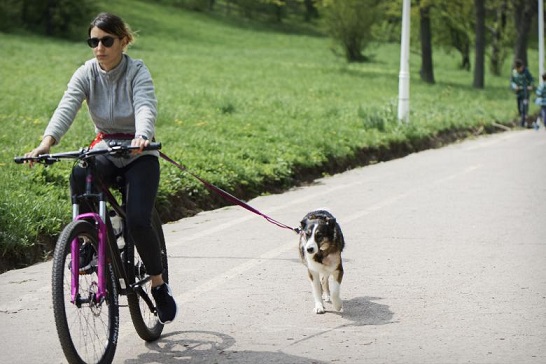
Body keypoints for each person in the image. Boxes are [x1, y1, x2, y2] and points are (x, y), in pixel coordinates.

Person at [24, 12, 177, 324]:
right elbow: (67, 105)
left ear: (123, 41)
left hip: (139, 152)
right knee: (81, 173)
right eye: (93, 41)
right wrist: (46, 143)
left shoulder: (137, 70)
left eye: (106, 40)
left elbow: (146, 104)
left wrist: (142, 136)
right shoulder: (87, 73)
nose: (99, 47)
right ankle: (87, 242)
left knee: (137, 219)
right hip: (106, 146)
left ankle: (159, 284)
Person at [510, 59, 534, 127]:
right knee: (519, 109)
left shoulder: (526, 71)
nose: (519, 70)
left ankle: (522, 123)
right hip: (518, 93)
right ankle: (523, 120)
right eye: (517, 69)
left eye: (520, 68)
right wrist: (515, 86)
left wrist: (531, 86)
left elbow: (531, 79)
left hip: (525, 93)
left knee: (524, 108)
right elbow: (512, 82)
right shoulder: (514, 72)